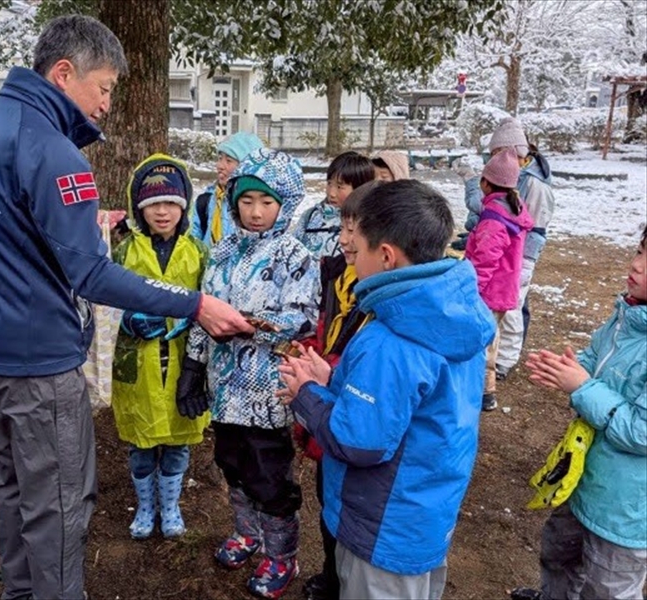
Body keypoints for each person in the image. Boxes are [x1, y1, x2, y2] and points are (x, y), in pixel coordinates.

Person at [0, 15, 252, 600]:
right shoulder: (54, 151)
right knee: (59, 505)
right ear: (64, 74)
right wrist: (194, 303)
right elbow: (91, 273)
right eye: (105, 87)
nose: (108, 104)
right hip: (39, 364)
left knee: (9, 490)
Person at [278, 180, 496, 600]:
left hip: (381, 528)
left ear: (386, 256)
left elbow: (359, 441)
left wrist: (306, 393)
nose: (349, 252)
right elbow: (410, 408)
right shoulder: (453, 314)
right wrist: (334, 382)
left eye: (357, 247)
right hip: (424, 512)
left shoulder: (391, 339)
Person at [177, 148, 320, 599]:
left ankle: (281, 554)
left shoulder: (295, 255)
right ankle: (247, 533)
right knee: (233, 465)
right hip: (225, 389)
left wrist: (247, 325)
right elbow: (203, 312)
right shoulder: (221, 252)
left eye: (266, 202)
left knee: (269, 476)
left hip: (268, 392)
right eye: (246, 201)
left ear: (285, 203)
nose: (255, 212)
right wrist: (193, 365)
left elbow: (303, 318)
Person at [512, 225, 646, 600]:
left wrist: (583, 387)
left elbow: (641, 432)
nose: (636, 264)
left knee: (607, 589)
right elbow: (597, 359)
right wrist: (570, 368)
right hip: (584, 479)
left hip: (626, 512)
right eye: (640, 251)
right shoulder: (629, 316)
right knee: (558, 556)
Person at [109, 154, 209, 540]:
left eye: (170, 203)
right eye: (153, 204)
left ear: (183, 206)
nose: (162, 212)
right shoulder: (124, 252)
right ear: (140, 208)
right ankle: (145, 505)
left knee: (178, 439)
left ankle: (169, 505)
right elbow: (105, 303)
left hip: (182, 360)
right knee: (141, 441)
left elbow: (209, 300)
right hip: (138, 361)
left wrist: (193, 320)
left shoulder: (197, 252)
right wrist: (126, 319)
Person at [294, 182, 378, 600]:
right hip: (333, 416)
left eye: (352, 231)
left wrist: (324, 380)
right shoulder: (340, 277)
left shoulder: (380, 305)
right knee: (330, 500)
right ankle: (332, 574)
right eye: (342, 228)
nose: (342, 240)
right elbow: (328, 330)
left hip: (350, 429)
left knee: (351, 511)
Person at [459, 118, 555, 379]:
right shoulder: (513, 185)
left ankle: (500, 365)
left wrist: (524, 261)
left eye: (498, 152)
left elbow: (526, 227)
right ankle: (497, 365)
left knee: (508, 315)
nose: (495, 157)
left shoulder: (533, 184)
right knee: (505, 314)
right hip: (508, 265)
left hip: (513, 264)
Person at [464, 148, 533, 411]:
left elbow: (484, 262)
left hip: (489, 293)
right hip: (503, 290)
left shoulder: (494, 217)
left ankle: (484, 392)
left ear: (486, 182)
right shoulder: (513, 207)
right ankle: (485, 390)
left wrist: (472, 292)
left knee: (482, 342)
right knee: (491, 338)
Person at [292, 151, 375, 261]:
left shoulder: (366, 222)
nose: (331, 193)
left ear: (360, 188)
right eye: (329, 183)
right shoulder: (310, 216)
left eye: (340, 187)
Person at [191, 131, 264, 247]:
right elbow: (192, 244)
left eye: (228, 161)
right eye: (220, 159)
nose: (220, 166)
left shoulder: (263, 207)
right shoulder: (206, 201)